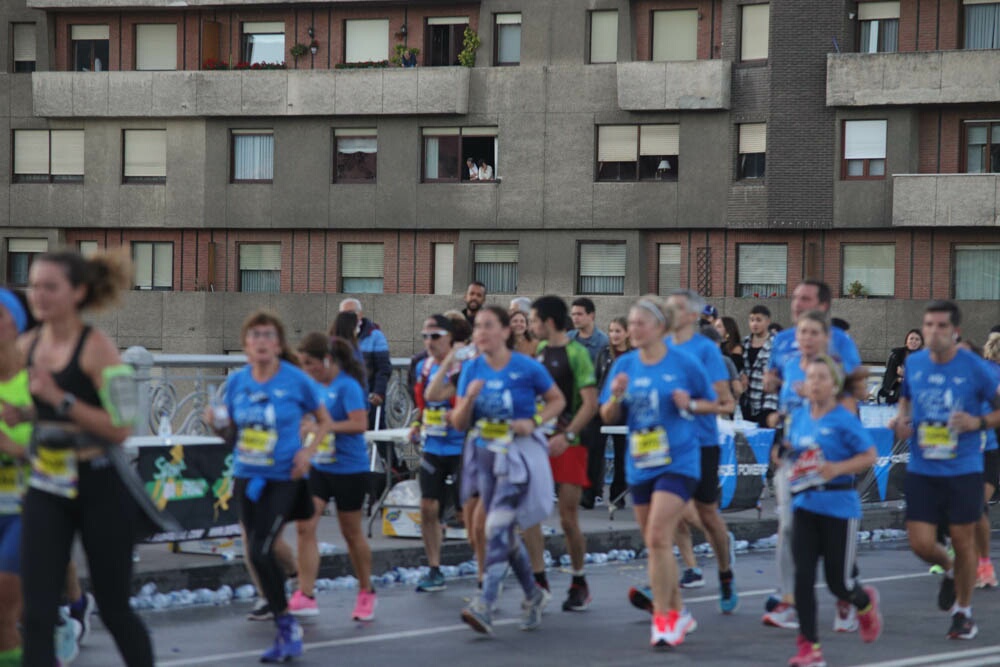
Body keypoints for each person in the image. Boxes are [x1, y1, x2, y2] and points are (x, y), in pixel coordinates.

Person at [19, 250, 154, 666]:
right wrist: (23, 413)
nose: (39, 295)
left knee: (115, 609)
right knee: (37, 612)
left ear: (77, 292)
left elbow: (121, 427)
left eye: (50, 287)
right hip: (47, 484)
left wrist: (59, 399)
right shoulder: (25, 346)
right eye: (34, 285)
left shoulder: (99, 349)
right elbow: (33, 409)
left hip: (99, 484)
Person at [210, 310, 332, 662]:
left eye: (268, 335)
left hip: (285, 477)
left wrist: (308, 451)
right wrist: (217, 426)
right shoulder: (237, 383)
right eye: (254, 335)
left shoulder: (296, 380)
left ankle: (286, 624)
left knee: (262, 549)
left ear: (278, 345)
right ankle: (283, 620)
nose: (261, 341)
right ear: (245, 345)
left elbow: (323, 421)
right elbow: (232, 435)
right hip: (248, 476)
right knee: (255, 550)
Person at [599, 296, 716, 647]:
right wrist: (615, 398)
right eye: (630, 323)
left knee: (657, 536)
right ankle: (679, 613)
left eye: (640, 323)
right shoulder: (625, 366)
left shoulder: (685, 363)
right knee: (655, 544)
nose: (633, 330)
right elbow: (606, 417)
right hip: (641, 464)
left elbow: (717, 404)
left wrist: (690, 404)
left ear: (660, 327)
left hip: (679, 461)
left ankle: (664, 620)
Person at [890, 300, 1000, 641]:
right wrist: (900, 418)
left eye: (941, 326)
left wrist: (977, 422)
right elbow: (906, 398)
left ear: (956, 332)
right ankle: (951, 571)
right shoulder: (917, 363)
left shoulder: (974, 367)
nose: (934, 332)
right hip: (924, 467)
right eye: (929, 325)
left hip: (964, 468)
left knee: (962, 539)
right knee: (921, 543)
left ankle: (963, 613)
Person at [451, 306, 565, 635]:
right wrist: (468, 401)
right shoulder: (471, 370)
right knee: (501, 531)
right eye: (477, 327)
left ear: (505, 331)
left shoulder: (526, 367)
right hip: (483, 458)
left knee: (496, 524)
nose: (481, 332)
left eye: (488, 326)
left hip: (517, 456)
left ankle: (485, 603)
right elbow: (458, 423)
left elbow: (556, 400)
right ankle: (533, 594)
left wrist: (534, 422)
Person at [786, 355, 883, 667]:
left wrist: (836, 468)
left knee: (837, 583)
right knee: (802, 578)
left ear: (834, 384)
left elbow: (870, 455)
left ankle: (864, 604)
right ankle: (809, 647)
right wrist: (792, 466)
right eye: (810, 377)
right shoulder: (800, 416)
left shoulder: (843, 418)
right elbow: (794, 453)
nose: (815, 383)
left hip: (839, 507)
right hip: (804, 505)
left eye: (821, 378)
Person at [763, 311, 850, 632]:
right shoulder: (788, 367)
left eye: (814, 332)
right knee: (787, 529)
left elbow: (845, 412)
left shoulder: (834, 370)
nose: (807, 338)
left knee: (831, 541)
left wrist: (816, 394)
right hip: (793, 463)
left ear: (825, 337)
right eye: (802, 332)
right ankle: (790, 599)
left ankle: (846, 594)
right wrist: (778, 431)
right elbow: (787, 414)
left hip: (828, 465)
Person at [289, 334, 375, 622]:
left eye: (309, 363)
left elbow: (360, 423)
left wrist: (324, 427)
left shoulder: (347, 386)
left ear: (326, 360)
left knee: (351, 533)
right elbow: (307, 417)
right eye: (302, 364)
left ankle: (366, 591)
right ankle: (306, 593)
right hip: (320, 468)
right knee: (305, 525)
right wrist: (305, 426)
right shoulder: (314, 386)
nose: (306, 370)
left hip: (350, 469)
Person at [662, 290, 738, 611]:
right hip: (665, 444)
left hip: (701, 442)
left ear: (693, 316)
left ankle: (724, 571)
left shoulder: (706, 350)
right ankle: (672, 578)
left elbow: (726, 402)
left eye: (677, 308)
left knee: (706, 514)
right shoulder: (658, 347)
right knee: (666, 512)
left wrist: (690, 404)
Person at [523, 296, 598, 611]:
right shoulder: (538, 352)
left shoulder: (576, 353)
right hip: (539, 441)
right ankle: (539, 580)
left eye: (534, 320)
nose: (530, 325)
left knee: (568, 517)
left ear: (549, 321)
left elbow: (591, 402)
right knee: (530, 513)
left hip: (570, 443)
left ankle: (579, 580)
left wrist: (567, 435)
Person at [410, 316, 467, 593]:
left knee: (466, 514)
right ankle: (434, 568)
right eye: (425, 336)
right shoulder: (423, 366)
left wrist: (455, 416)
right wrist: (418, 424)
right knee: (427, 508)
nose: (428, 342)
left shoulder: (463, 366)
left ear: (450, 338)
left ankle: (496, 559)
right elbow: (424, 404)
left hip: (462, 447)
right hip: (434, 446)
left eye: (435, 336)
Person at [0, 289, 32, 667]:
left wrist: (16, 448)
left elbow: (68, 444)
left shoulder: (36, 382)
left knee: (4, 605)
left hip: (30, 508)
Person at [766, 280, 863, 395]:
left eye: (805, 299)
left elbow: (856, 386)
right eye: (795, 298)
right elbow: (776, 380)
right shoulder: (781, 339)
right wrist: (771, 383)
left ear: (823, 306)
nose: (797, 304)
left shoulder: (840, 340)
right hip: (791, 412)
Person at [569, 298, 609, 507]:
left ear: (591, 315)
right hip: (571, 405)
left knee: (594, 451)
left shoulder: (603, 343)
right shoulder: (569, 339)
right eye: (573, 314)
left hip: (593, 404)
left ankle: (593, 492)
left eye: (579, 314)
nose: (575, 318)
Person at [595, 316, 631, 509]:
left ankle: (618, 495)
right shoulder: (604, 353)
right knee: (596, 450)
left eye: (618, 331)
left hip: (625, 409)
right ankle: (594, 492)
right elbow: (597, 379)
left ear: (627, 333)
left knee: (621, 453)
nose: (614, 335)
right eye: (611, 331)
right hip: (604, 406)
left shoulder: (634, 355)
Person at [338, 299, 390, 429]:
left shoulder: (375, 336)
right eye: (343, 314)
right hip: (344, 395)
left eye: (351, 313)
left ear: (360, 314)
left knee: (377, 432)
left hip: (369, 396)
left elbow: (383, 368)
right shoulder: (337, 337)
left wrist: (378, 392)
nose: (347, 318)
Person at [974, 336, 1000, 589]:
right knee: (974, 505)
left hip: (987, 448)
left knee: (976, 504)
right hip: (968, 452)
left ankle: (982, 563)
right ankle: (978, 562)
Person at [741, 305, 778, 426]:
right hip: (747, 400)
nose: (754, 324)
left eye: (758, 320)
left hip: (768, 400)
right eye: (751, 320)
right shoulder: (744, 343)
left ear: (768, 321)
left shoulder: (776, 343)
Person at [878, 329, 923, 405]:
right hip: (897, 395)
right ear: (906, 341)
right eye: (911, 338)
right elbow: (889, 376)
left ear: (921, 343)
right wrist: (898, 379)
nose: (913, 341)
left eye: (917, 339)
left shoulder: (926, 358)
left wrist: (905, 375)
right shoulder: (896, 355)